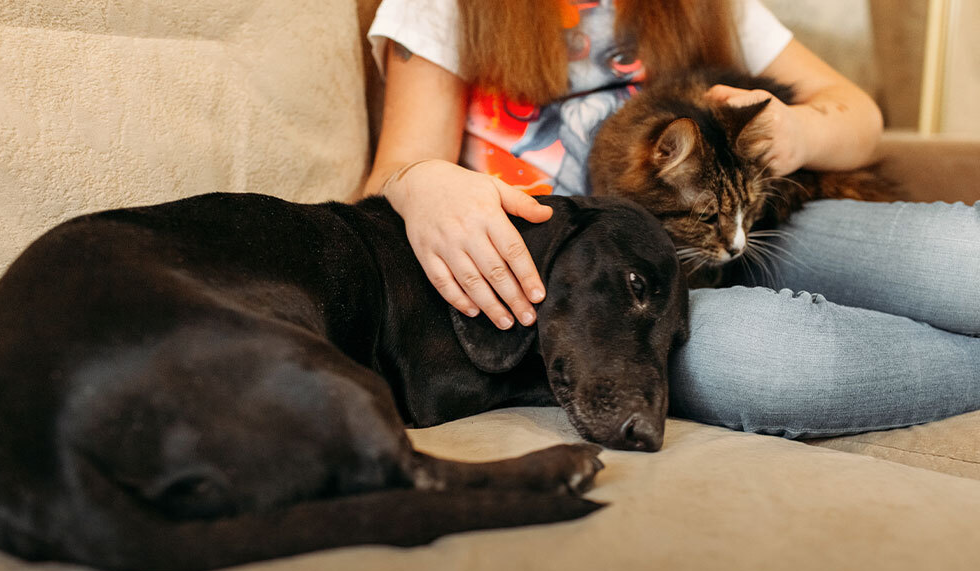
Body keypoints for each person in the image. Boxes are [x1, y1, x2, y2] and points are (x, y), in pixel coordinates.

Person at [364, 0, 980, 438]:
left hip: (754, 222)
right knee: (773, 362)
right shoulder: (442, 6)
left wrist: (798, 130)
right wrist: (419, 181)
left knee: (965, 259)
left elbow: (861, 118)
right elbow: (391, 170)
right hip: (610, 285)